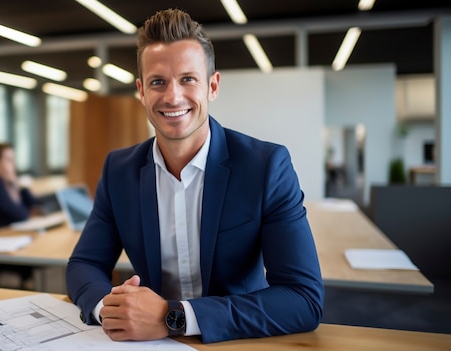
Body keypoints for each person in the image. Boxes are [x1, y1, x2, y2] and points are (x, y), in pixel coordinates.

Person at [65, 8, 324, 344]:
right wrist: (109, 310)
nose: (173, 96)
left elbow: (303, 299)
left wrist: (172, 317)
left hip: (240, 338)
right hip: (151, 343)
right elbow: (83, 264)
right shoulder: (119, 170)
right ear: (142, 91)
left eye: (188, 79)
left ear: (212, 86)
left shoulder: (265, 166)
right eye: (158, 82)